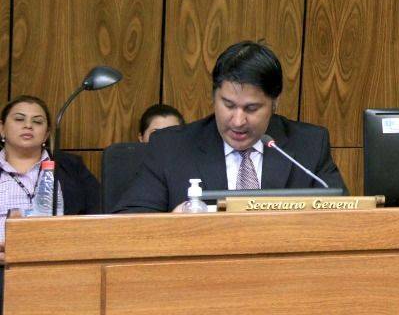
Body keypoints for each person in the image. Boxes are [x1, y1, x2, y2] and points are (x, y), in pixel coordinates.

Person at [115, 41, 347, 212]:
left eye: (251, 108)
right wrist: (173, 223)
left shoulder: (309, 146)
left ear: (275, 103)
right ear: (214, 97)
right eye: (228, 105)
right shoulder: (170, 147)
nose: (238, 121)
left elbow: (343, 218)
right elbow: (129, 222)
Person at [0, 95, 101, 259]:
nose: (28, 125)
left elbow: (98, 215)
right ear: (2, 128)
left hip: (59, 261)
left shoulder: (71, 166)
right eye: (19, 119)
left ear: (46, 134)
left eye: (37, 122)